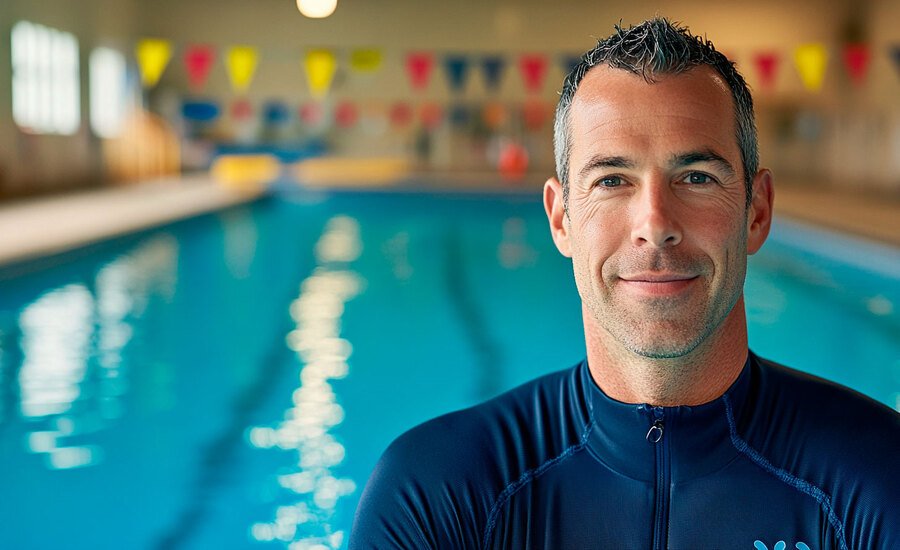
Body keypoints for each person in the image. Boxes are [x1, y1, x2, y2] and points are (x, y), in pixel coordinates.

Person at [349, 18, 900, 549]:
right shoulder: (435, 495)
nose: (655, 225)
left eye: (696, 177)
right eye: (612, 180)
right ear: (561, 219)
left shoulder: (878, 481)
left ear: (756, 212)